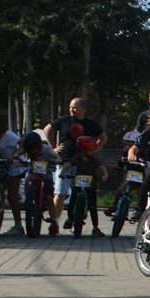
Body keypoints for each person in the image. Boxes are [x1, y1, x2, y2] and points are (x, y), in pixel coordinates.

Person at [45, 98, 106, 230]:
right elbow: (47, 129)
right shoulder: (64, 120)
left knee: (79, 193)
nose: (71, 110)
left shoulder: (91, 123)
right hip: (64, 161)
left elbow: (103, 138)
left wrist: (94, 149)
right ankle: (55, 222)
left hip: (83, 164)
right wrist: (53, 147)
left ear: (83, 109)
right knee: (60, 192)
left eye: (75, 107)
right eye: (70, 107)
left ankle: (76, 218)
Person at [69, 135, 109, 233]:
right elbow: (68, 164)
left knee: (92, 206)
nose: (94, 151)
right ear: (83, 150)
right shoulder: (77, 158)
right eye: (91, 149)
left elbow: (101, 167)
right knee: (72, 200)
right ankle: (70, 219)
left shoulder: (94, 159)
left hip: (91, 184)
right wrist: (63, 172)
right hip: (78, 184)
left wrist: (105, 174)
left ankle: (95, 227)